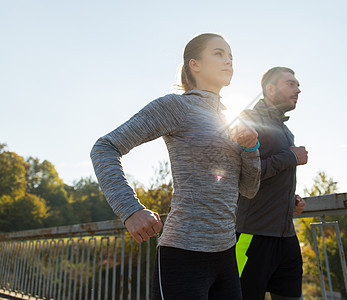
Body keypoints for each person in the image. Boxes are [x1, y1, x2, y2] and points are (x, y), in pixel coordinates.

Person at [90, 33, 261, 299]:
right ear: (195, 64)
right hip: (184, 255)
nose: (228, 61)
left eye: (231, 56)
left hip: (226, 254)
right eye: (219, 53)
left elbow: (249, 189)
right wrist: (130, 210)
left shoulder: (231, 121)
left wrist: (251, 148)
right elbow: (104, 148)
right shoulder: (176, 106)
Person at [235, 67, 308, 300]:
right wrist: (291, 157)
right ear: (270, 89)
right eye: (291, 84)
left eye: (297, 85)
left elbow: (273, 177)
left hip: (286, 238)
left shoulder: (286, 131)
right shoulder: (248, 121)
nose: (298, 89)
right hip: (250, 236)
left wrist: (290, 200)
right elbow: (242, 175)